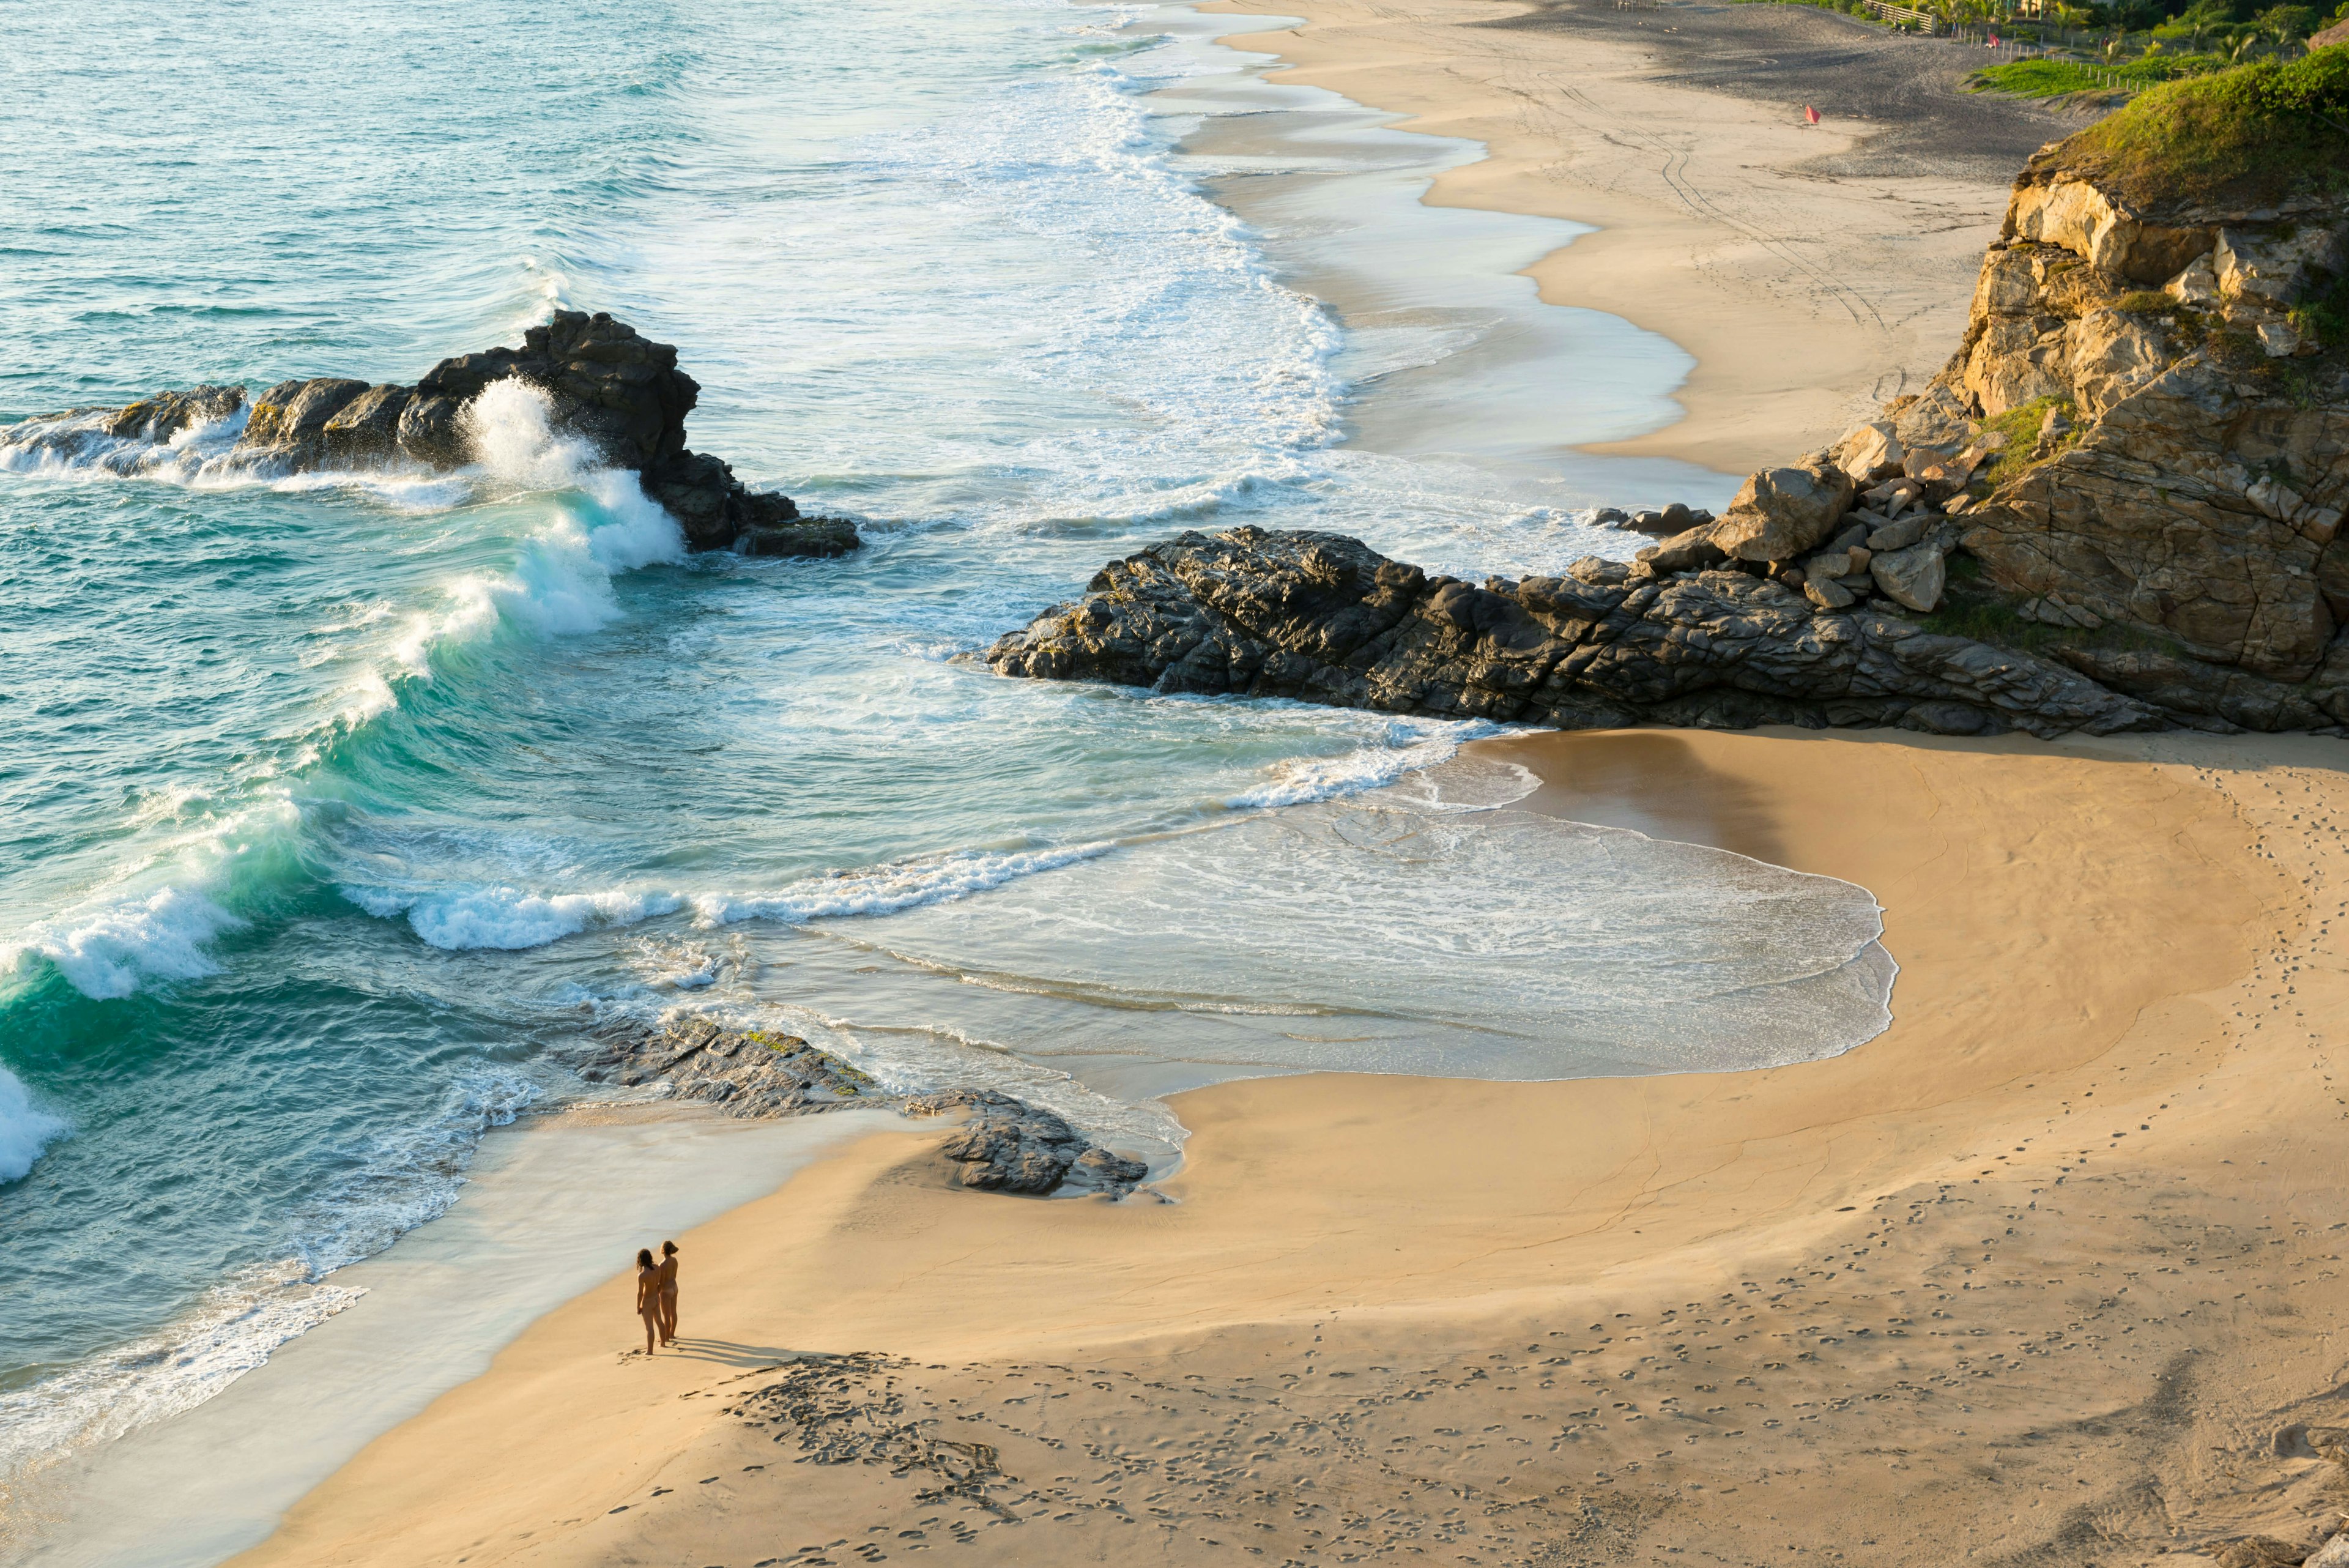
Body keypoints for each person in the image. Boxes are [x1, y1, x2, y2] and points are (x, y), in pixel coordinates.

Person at [633, 1247, 661, 1354]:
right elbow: (660, 1283)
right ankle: (663, 1343)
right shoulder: (657, 1268)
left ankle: (650, 1351)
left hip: (647, 1301)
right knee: (660, 1322)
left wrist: (638, 1307)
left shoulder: (642, 1275)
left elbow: (640, 1293)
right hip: (656, 1298)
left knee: (649, 1328)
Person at [656, 1240, 680, 1345]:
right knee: (673, 1312)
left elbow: (661, 1282)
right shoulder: (675, 1260)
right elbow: (674, 1276)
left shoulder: (662, 1265)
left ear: (662, 1251)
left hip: (666, 1290)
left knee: (666, 1315)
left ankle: (666, 1337)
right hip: (675, 1287)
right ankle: (672, 1334)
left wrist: (656, 1292)